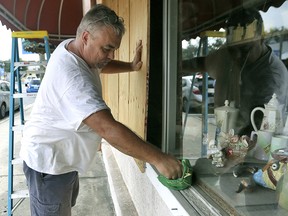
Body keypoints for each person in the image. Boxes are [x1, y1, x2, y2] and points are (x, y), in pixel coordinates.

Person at [20, 4, 183, 215]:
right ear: (86, 37)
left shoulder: (74, 48)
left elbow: (99, 64)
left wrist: (131, 66)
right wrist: (159, 159)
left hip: (62, 160)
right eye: (107, 48)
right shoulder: (73, 78)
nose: (111, 55)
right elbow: (107, 128)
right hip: (49, 166)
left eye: (114, 48)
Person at [182, 8, 288, 136]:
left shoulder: (272, 75)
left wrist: (234, 148)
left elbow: (259, 124)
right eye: (232, 49)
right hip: (229, 141)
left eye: (245, 49)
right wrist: (174, 67)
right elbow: (199, 64)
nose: (237, 56)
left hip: (259, 148)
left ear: (261, 39)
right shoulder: (226, 56)